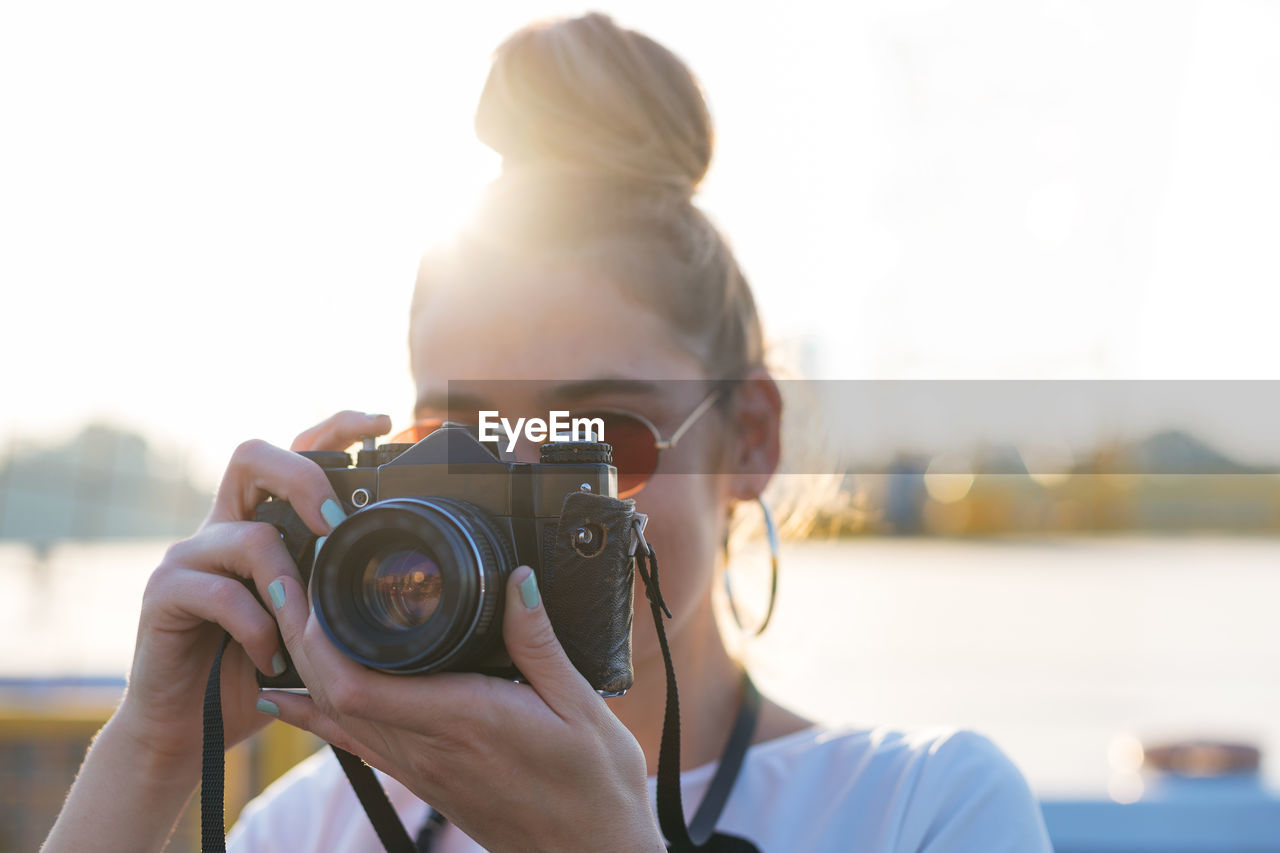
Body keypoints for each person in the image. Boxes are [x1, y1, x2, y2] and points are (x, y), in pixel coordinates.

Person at [44, 12, 1052, 852]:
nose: (526, 487)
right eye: (464, 434)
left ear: (748, 437)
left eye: (600, 433)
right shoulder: (316, 825)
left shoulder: (920, 808)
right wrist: (155, 746)